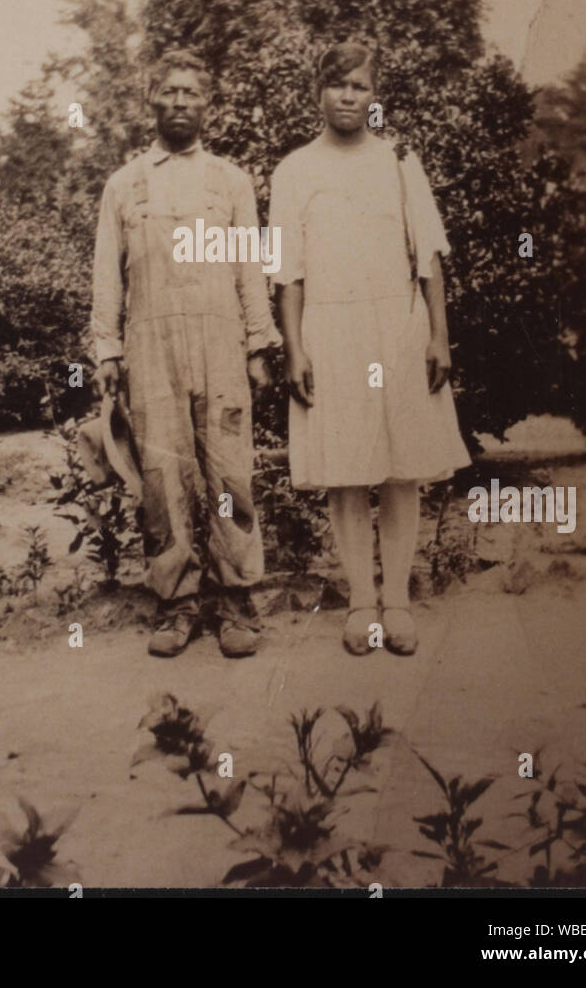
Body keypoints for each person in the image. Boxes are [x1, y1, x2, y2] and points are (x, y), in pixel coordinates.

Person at [268, 41, 470, 656]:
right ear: (318, 94)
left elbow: (428, 255)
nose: (348, 97)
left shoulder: (400, 161)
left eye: (358, 86)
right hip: (331, 330)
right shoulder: (293, 170)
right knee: (348, 469)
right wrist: (295, 348)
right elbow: (287, 272)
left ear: (373, 93)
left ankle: (400, 603)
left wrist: (438, 335)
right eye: (336, 86)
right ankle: (361, 602)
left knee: (402, 466)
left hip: (398, 325)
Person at [91, 49, 280, 657]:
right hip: (150, 347)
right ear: (151, 100)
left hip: (221, 343)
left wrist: (258, 343)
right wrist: (107, 352)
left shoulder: (231, 181)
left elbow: (252, 267)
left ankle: (237, 604)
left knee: (228, 472)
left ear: (208, 106)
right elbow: (106, 278)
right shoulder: (123, 185)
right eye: (168, 92)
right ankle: (176, 605)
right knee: (161, 477)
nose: (178, 102)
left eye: (190, 94)